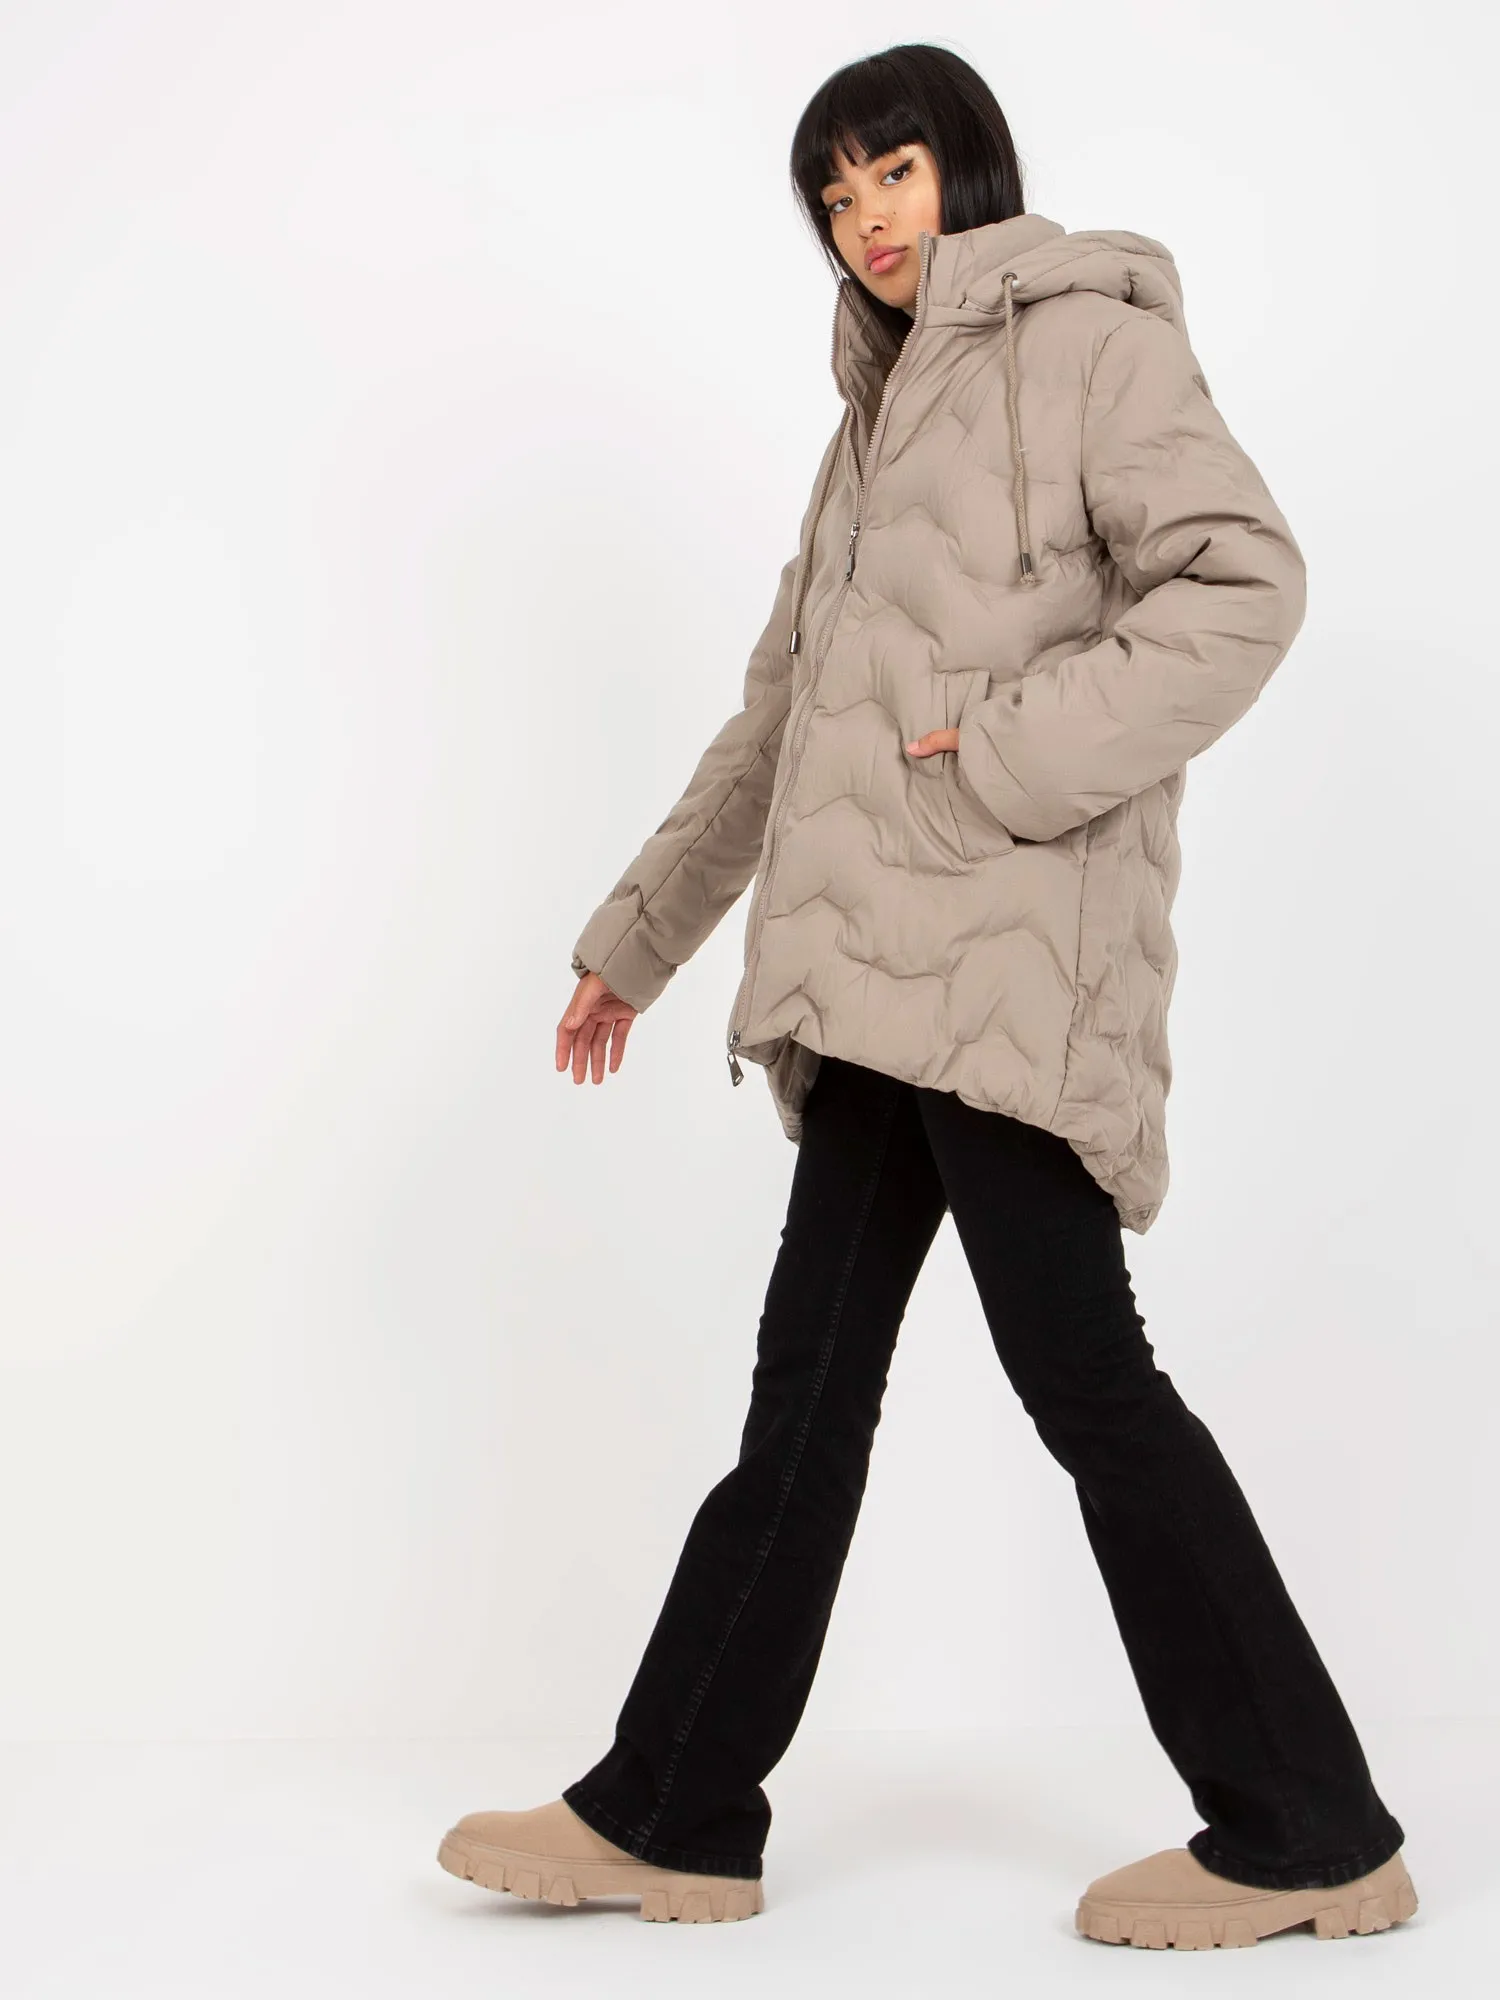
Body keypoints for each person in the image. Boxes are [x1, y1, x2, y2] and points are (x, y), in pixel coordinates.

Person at [436, 43, 1418, 1950]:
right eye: (834, 195)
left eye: (890, 170)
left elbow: (1243, 586)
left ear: (965, 163)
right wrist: (636, 938)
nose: (866, 217)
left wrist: (1007, 751)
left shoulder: (1090, 345)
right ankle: (676, 1808)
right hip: (875, 992)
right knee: (804, 1398)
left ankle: (1309, 1826)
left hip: (1005, 970)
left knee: (1087, 1386)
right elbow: (786, 720)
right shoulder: (872, 423)